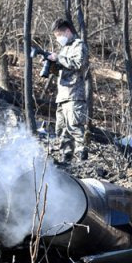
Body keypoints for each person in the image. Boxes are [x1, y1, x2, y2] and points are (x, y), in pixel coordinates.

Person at [45, 18, 89, 163]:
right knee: (62, 130)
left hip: (74, 94)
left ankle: (83, 158)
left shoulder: (78, 45)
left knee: (75, 127)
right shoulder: (65, 49)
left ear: (67, 31)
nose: (58, 39)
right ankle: (66, 158)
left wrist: (59, 58)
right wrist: (51, 64)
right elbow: (61, 71)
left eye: (59, 35)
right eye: (56, 36)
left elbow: (77, 64)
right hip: (62, 96)